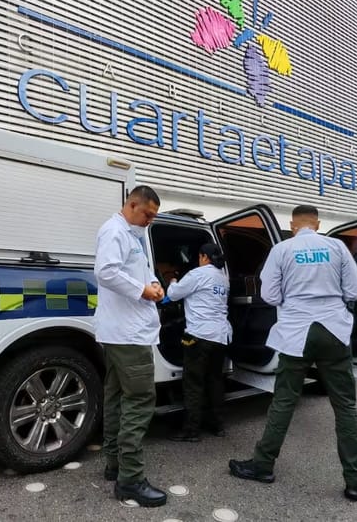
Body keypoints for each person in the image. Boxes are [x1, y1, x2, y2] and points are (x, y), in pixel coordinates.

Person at [228, 205, 357, 502]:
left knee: (283, 401)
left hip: (296, 333)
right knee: (345, 406)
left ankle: (262, 465)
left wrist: (294, 297)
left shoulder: (282, 249)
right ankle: (356, 480)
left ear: (293, 225)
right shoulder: (336, 247)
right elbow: (355, 290)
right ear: (318, 224)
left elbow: (269, 295)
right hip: (334, 332)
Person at [94, 185, 167, 508]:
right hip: (129, 334)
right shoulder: (115, 231)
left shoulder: (133, 235)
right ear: (132, 204)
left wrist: (154, 284)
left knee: (115, 397)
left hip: (122, 332)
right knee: (139, 401)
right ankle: (131, 480)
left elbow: (139, 271)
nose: (150, 220)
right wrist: (143, 291)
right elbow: (106, 271)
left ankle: (115, 464)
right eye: (148, 214)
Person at [165, 243, 232, 442]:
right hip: (221, 336)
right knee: (215, 380)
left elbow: (173, 294)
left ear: (203, 257)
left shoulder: (197, 274)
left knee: (193, 383)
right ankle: (218, 425)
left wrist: (173, 279)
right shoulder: (223, 278)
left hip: (199, 336)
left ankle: (191, 430)